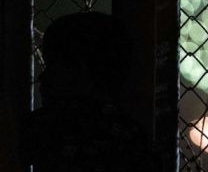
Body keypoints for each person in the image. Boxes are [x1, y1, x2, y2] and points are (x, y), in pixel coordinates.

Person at [19, 12, 156, 172]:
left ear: (79, 71)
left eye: (53, 67)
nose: (42, 77)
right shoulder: (131, 135)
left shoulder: (43, 127)